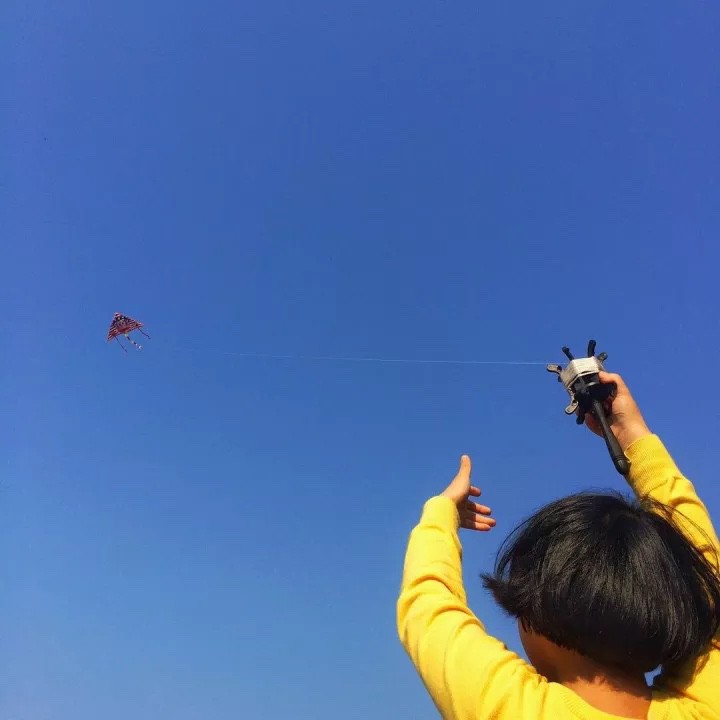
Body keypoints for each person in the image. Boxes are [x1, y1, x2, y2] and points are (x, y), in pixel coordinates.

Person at [397, 372, 720, 719]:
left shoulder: (519, 709)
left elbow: (428, 607)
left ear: (535, 611)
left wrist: (441, 511)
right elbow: (704, 575)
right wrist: (633, 434)